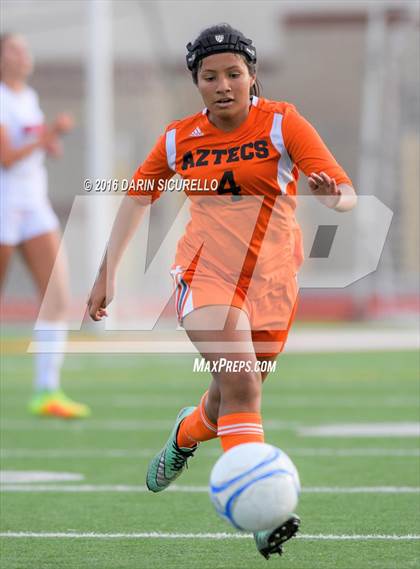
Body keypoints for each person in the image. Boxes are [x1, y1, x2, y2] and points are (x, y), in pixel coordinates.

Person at [88, 24, 357, 558]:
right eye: (210, 76)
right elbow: (138, 197)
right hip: (203, 274)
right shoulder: (178, 138)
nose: (223, 84)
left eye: (234, 73)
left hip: (273, 284)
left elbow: (344, 193)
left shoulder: (283, 123)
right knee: (244, 386)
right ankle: (261, 514)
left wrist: (332, 199)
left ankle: (186, 436)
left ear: (252, 75)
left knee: (226, 396)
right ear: (197, 82)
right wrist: (105, 273)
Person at [0, 33, 90, 419]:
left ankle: (47, 391)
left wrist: (47, 143)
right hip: (4, 205)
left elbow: (28, 148)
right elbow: (6, 157)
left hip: (32, 205)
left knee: (56, 295)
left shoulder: (28, 97)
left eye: (25, 48)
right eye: (14, 49)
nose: (24, 55)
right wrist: (50, 135)